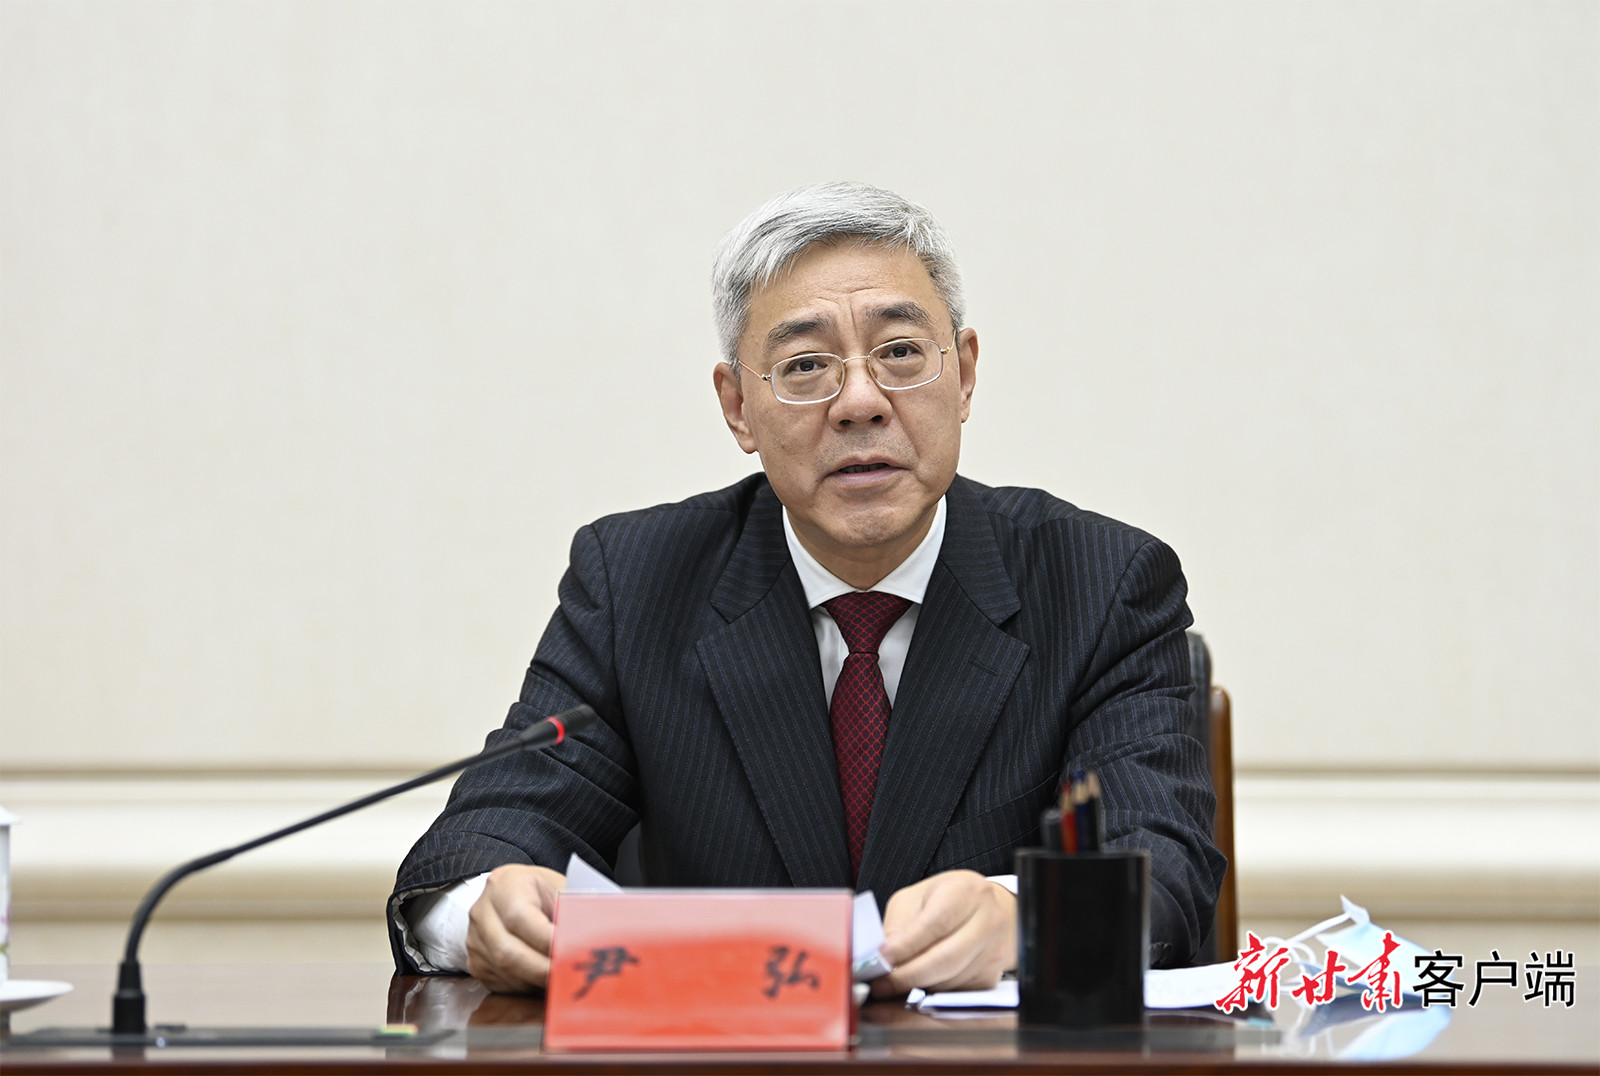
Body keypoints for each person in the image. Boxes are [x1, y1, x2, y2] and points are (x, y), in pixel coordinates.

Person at [389, 182, 1225, 995]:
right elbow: (487, 836)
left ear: (965, 374)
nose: (860, 402)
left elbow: (1163, 869)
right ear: (738, 408)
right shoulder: (637, 583)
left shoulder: (1100, 584)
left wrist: (1024, 919)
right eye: (805, 365)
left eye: (900, 353)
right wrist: (486, 911)